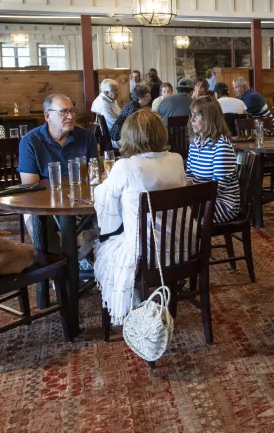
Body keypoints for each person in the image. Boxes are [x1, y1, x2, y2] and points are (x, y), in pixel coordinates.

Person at [93, 110, 188, 325]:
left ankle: (134, 307)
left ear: (129, 136)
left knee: (102, 246)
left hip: (146, 253)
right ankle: (142, 302)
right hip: (181, 246)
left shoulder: (126, 166)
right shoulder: (176, 159)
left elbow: (104, 196)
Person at [18, 94, 100, 259]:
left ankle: (81, 261)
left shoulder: (86, 137)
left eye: (72, 111)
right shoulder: (30, 141)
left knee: (108, 214)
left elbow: (93, 176)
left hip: (82, 201)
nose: (70, 116)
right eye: (63, 112)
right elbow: (30, 186)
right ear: (48, 116)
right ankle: (58, 268)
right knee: (35, 222)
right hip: (46, 204)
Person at [186, 97, 241, 223]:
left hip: (223, 203)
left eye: (197, 115)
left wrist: (188, 196)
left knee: (180, 217)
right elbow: (188, 175)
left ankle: (198, 243)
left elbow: (218, 187)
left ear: (210, 118)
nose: (191, 119)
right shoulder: (194, 142)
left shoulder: (221, 145)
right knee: (172, 212)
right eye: (191, 114)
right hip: (201, 199)